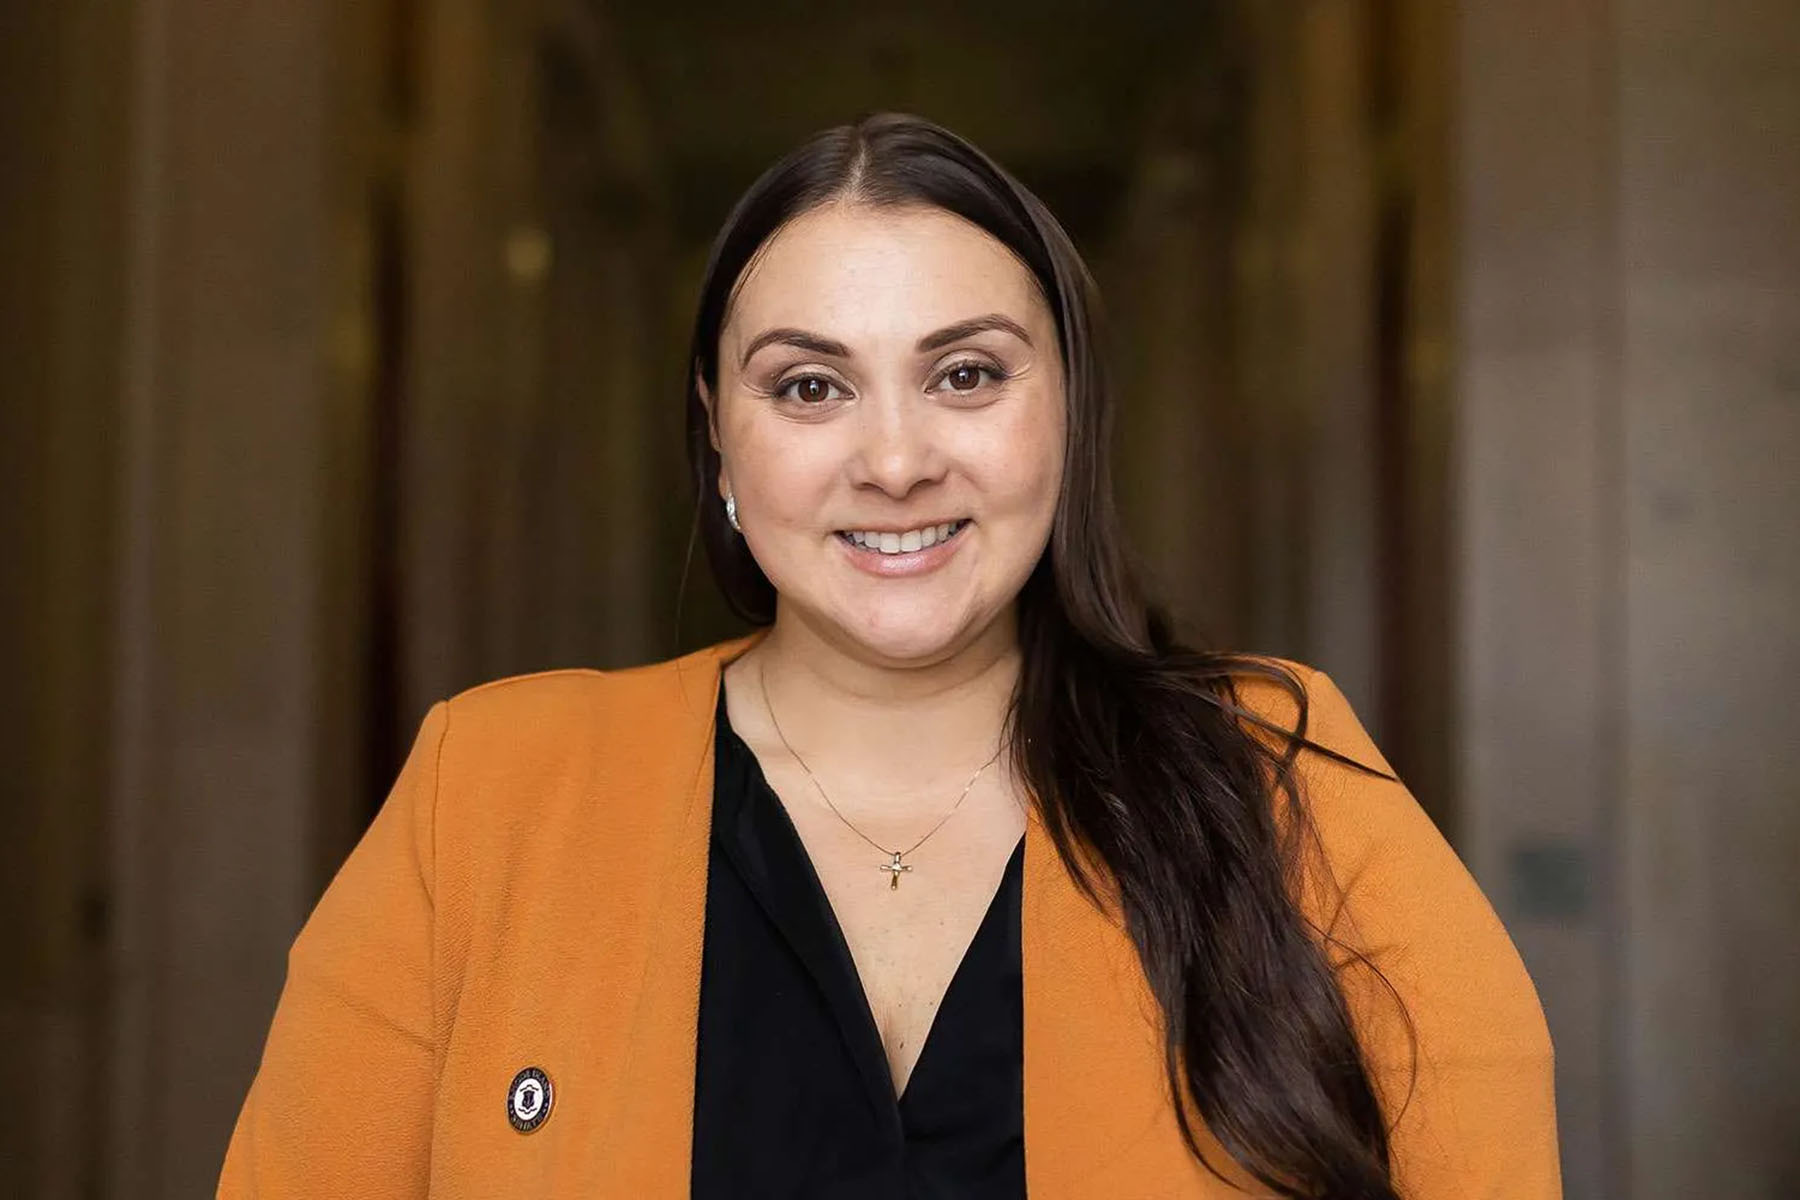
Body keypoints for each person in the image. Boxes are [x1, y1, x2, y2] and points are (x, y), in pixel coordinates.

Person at [218, 113, 1559, 1199]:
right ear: (721, 443)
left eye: (967, 374)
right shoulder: (492, 790)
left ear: (1068, 413)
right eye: (810, 386)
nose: (899, 459)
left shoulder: (1276, 776)